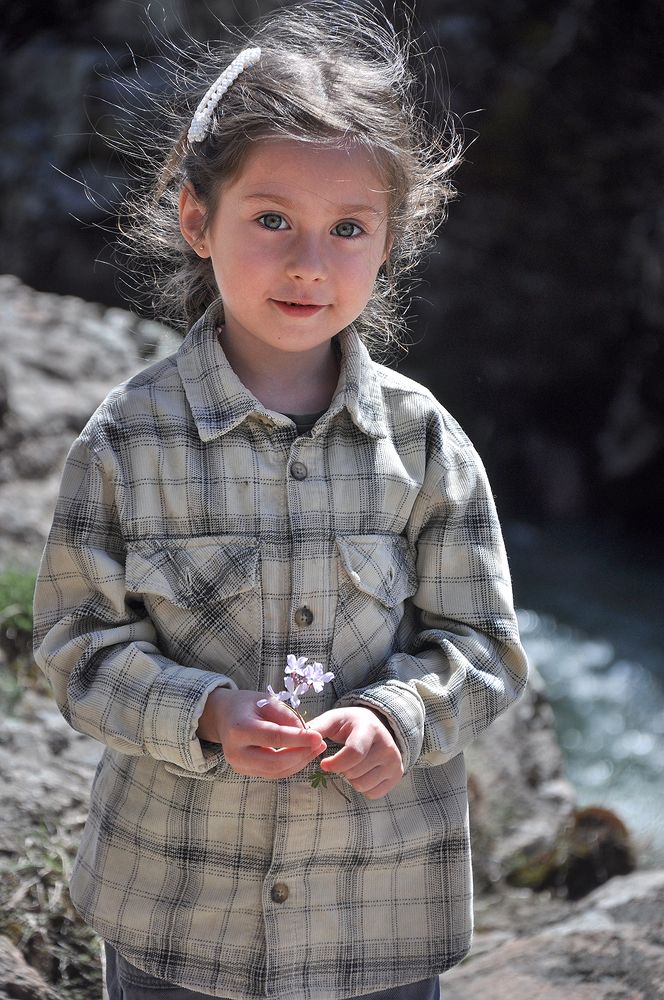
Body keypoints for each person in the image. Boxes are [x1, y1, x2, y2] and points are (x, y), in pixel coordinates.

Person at [33, 3, 528, 999]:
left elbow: (484, 645)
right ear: (195, 218)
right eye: (272, 219)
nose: (310, 259)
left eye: (348, 227)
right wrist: (204, 711)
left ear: (389, 242)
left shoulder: (422, 438)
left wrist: (398, 715)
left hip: (372, 924)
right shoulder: (128, 439)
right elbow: (74, 646)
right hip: (177, 914)